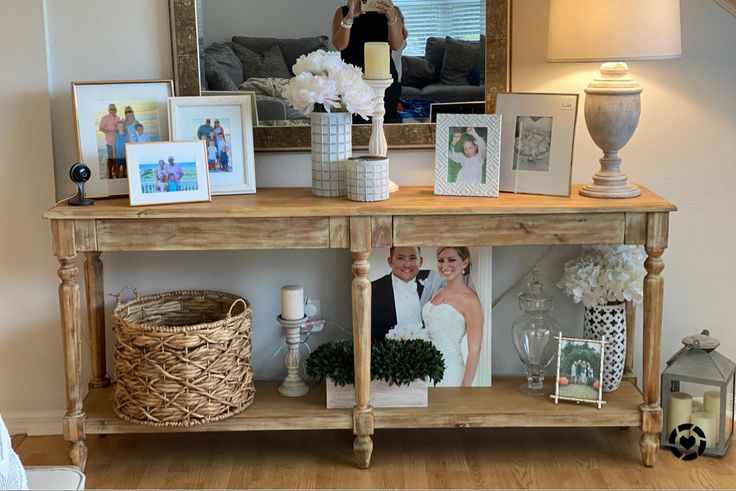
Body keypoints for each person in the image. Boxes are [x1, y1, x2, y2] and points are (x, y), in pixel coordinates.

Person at [332, 0, 407, 123]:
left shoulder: (392, 11)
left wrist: (391, 18)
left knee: (386, 122)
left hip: (383, 78)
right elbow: (339, 45)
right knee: (353, 124)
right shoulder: (343, 12)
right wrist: (350, 18)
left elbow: (396, 45)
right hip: (352, 80)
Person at [423, 247, 483, 387]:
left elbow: (475, 350)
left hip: (449, 371)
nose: (444, 266)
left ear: (465, 263)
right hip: (425, 369)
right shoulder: (438, 292)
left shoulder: (470, 300)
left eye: (452, 260)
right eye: (441, 260)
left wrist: (465, 387)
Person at [371, 246, 430, 341]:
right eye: (400, 258)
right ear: (390, 261)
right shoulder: (372, 289)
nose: (407, 264)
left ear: (421, 261)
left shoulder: (432, 283)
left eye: (412, 258)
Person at [98, 103, 121, 179]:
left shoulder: (118, 118)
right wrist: (110, 132)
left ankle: (115, 170)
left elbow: (119, 128)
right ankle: (110, 174)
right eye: (111, 109)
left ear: (116, 110)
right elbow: (101, 128)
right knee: (110, 158)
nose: (112, 110)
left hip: (117, 141)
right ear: (108, 110)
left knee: (116, 157)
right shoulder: (104, 118)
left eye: (114, 108)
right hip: (109, 141)